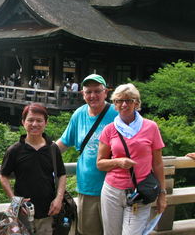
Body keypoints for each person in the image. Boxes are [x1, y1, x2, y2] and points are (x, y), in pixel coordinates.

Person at [97, 83, 166, 234]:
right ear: (115, 103)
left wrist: (162, 195)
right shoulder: (109, 129)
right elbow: (100, 164)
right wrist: (118, 162)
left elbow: (158, 164)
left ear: (136, 102)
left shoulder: (151, 127)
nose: (123, 104)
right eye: (119, 101)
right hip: (112, 192)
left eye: (128, 100)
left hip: (140, 191)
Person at [56, 74, 118, 235]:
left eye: (97, 91)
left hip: (115, 187)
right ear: (83, 94)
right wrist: (40, 157)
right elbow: (63, 143)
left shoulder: (118, 114)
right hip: (88, 186)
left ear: (106, 93)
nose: (93, 95)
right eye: (88, 91)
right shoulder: (79, 114)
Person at [1, 103, 66, 234]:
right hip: (23, 213)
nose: (35, 124)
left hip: (47, 212)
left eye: (39, 120)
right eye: (30, 120)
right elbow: (3, 176)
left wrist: (59, 198)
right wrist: (14, 201)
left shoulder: (53, 149)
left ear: (46, 123)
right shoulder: (14, 150)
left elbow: (61, 174)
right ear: (23, 122)